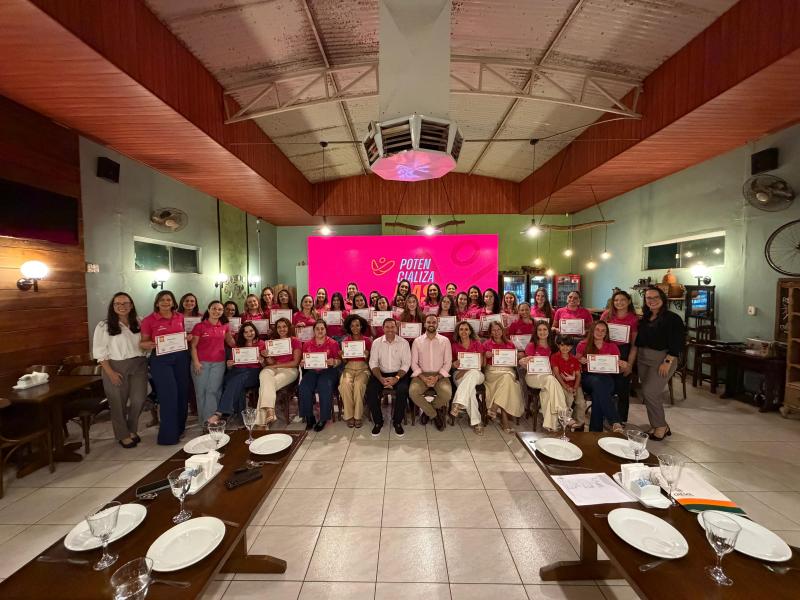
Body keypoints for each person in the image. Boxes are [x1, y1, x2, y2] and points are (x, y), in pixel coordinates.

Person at [93, 292, 147, 448]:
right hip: (115, 366)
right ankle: (123, 434)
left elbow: (147, 341)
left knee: (139, 400)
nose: (122, 307)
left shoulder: (140, 321)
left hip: (139, 365)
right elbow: (99, 351)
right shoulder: (104, 326)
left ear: (131, 305)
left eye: (125, 303)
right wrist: (110, 372)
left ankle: (131, 428)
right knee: (118, 403)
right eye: (118, 304)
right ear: (113, 306)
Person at [140, 290, 189, 445]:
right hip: (161, 360)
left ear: (173, 302)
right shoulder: (149, 320)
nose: (166, 302)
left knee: (182, 394)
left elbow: (183, 335)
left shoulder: (180, 317)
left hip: (181, 357)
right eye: (162, 300)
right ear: (157, 302)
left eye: (169, 300)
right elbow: (143, 343)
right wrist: (154, 344)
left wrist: (187, 337)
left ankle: (180, 428)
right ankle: (168, 436)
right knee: (169, 396)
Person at [636, 286, 684, 440]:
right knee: (648, 393)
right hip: (643, 358)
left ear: (663, 298)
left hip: (662, 359)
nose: (652, 301)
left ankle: (661, 426)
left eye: (655, 297)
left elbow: (677, 342)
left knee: (651, 392)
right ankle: (658, 424)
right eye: (648, 298)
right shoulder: (645, 317)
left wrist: (668, 361)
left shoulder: (672, 318)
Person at [209, 322, 265, 424]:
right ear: (242, 334)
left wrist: (263, 361)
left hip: (253, 373)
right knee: (238, 384)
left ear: (255, 331)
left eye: (251, 331)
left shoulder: (262, 343)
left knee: (238, 380)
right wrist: (229, 365)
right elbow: (231, 365)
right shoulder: (237, 345)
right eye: (246, 332)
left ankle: (220, 413)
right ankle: (242, 419)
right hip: (237, 372)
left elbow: (266, 366)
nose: (249, 334)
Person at [576, 321, 626, 433]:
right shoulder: (582, 345)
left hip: (607, 379)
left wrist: (623, 366)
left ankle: (595, 432)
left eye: (603, 331)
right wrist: (580, 361)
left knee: (598, 393)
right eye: (597, 329)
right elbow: (575, 366)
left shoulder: (612, 347)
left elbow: (619, 370)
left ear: (606, 333)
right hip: (588, 378)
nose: (600, 332)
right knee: (598, 383)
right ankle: (615, 421)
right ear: (592, 330)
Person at [520, 322, 570, 432]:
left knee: (547, 392)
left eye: (545, 329)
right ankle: (563, 412)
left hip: (548, 377)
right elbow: (525, 364)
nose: (542, 332)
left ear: (549, 331)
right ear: (536, 332)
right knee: (550, 380)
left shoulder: (553, 346)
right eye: (540, 330)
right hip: (533, 376)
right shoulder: (531, 345)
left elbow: (556, 364)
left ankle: (550, 426)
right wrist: (523, 362)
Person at [366, 318, 411, 437]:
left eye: (392, 327)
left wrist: (396, 378)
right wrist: (380, 378)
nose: (390, 329)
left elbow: (406, 364)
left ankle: (397, 422)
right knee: (371, 391)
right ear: (383, 328)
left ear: (396, 328)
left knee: (402, 390)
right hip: (380, 374)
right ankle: (378, 422)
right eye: (387, 327)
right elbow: (373, 363)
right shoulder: (376, 342)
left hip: (399, 374)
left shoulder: (404, 343)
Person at [190, 300, 232, 423]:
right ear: (208, 310)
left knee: (213, 391)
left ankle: (212, 421)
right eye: (214, 308)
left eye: (219, 309)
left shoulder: (225, 326)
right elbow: (193, 346)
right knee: (201, 392)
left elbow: (231, 342)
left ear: (222, 312)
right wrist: (196, 362)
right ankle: (203, 422)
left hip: (219, 363)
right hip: (201, 363)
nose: (216, 311)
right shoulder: (199, 326)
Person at [601, 290, 639, 424]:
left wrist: (630, 364)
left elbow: (635, 345)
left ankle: (621, 419)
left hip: (624, 352)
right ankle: (607, 415)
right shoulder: (607, 315)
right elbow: (598, 333)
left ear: (628, 301)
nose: (619, 303)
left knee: (622, 388)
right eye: (616, 300)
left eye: (622, 300)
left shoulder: (633, 319)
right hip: (606, 351)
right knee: (607, 386)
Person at [409, 315, 452, 431]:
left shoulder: (445, 341)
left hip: (440, 375)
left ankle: (427, 412)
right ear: (425, 324)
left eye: (434, 322)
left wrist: (437, 377)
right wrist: (423, 378)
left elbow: (448, 363)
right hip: (421, 375)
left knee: (447, 393)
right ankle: (434, 414)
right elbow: (413, 363)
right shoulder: (417, 341)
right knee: (413, 392)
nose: (431, 324)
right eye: (429, 322)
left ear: (437, 324)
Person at [298, 319, 341, 431]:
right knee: (303, 386)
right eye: (317, 328)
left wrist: (335, 361)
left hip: (329, 371)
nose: (320, 330)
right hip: (312, 371)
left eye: (322, 328)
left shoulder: (333, 343)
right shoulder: (307, 344)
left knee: (324, 385)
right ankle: (309, 417)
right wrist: (302, 363)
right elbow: (303, 361)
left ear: (326, 330)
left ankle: (323, 418)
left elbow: (339, 360)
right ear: (313, 331)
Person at [258, 317, 301, 426]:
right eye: (279, 327)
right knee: (264, 373)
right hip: (274, 368)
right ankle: (270, 411)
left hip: (289, 370)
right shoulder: (272, 342)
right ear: (276, 329)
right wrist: (267, 356)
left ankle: (260, 423)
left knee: (264, 386)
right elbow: (271, 362)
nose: (282, 329)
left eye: (284, 326)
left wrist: (277, 365)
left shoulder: (295, 341)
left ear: (289, 327)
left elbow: (295, 363)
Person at [483, 321, 524, 433]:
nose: (496, 332)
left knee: (507, 379)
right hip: (492, 371)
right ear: (490, 332)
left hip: (507, 370)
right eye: (494, 330)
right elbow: (482, 364)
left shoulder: (510, 344)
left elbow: (514, 362)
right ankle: (503, 420)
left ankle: (495, 409)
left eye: (499, 329)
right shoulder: (486, 344)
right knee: (509, 382)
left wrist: (519, 356)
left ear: (502, 330)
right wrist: (485, 356)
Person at [450, 320, 486, 435]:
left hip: (476, 374)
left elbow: (479, 364)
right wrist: (453, 364)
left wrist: (465, 370)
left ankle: (458, 402)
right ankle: (476, 423)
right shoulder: (454, 346)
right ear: (458, 332)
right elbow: (450, 364)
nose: (464, 331)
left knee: (473, 374)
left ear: (470, 331)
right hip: (459, 374)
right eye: (461, 329)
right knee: (470, 392)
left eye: (466, 329)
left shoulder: (477, 343)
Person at [338, 314, 372, 428]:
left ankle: (358, 416)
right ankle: (349, 416)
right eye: (352, 326)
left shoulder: (367, 340)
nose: (355, 328)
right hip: (349, 368)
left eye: (357, 325)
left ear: (361, 326)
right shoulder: (346, 341)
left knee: (358, 385)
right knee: (345, 385)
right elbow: (344, 362)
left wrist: (367, 356)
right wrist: (343, 356)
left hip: (363, 368)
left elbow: (372, 362)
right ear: (349, 327)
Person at [551, 335, 586, 431]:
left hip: (575, 385)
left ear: (571, 347)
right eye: (562, 345)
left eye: (568, 346)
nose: (565, 348)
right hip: (562, 385)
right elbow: (557, 374)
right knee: (569, 399)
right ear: (558, 345)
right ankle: (565, 423)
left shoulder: (574, 359)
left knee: (581, 403)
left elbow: (578, 375)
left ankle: (579, 425)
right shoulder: (554, 357)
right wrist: (566, 387)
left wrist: (575, 388)